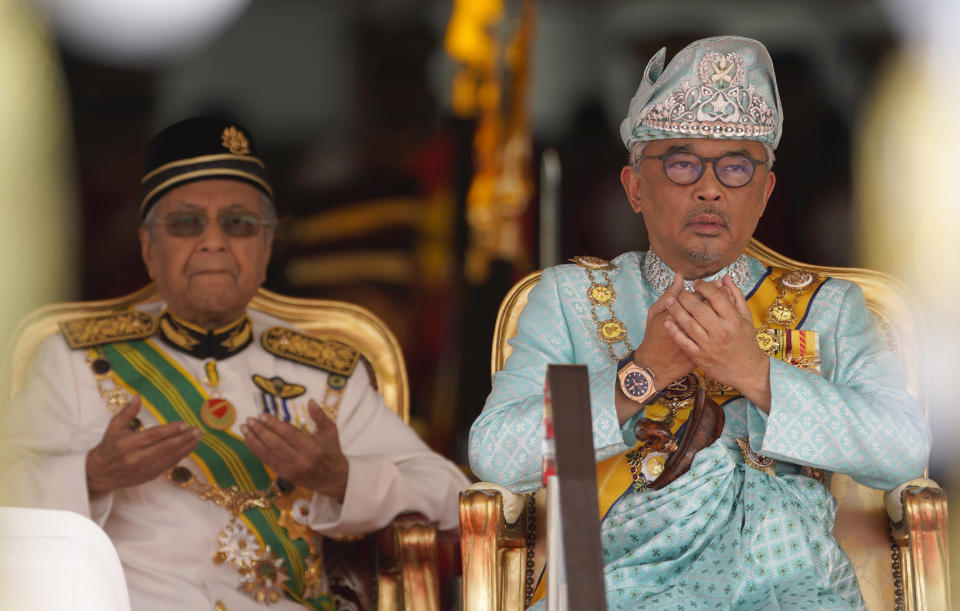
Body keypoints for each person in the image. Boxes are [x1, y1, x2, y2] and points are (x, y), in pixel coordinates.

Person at [469, 36, 930, 609]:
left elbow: (903, 450)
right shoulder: (573, 299)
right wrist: (640, 375)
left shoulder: (827, 306)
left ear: (765, 192)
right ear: (634, 187)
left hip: (787, 591)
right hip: (607, 586)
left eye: (737, 166)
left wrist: (755, 373)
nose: (710, 187)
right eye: (683, 163)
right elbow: (496, 453)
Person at [0, 117, 470, 610]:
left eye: (238, 223)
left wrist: (343, 480)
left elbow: (451, 499)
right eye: (185, 223)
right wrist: (92, 473)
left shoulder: (324, 374)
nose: (214, 240)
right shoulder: (77, 360)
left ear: (266, 247)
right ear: (147, 247)